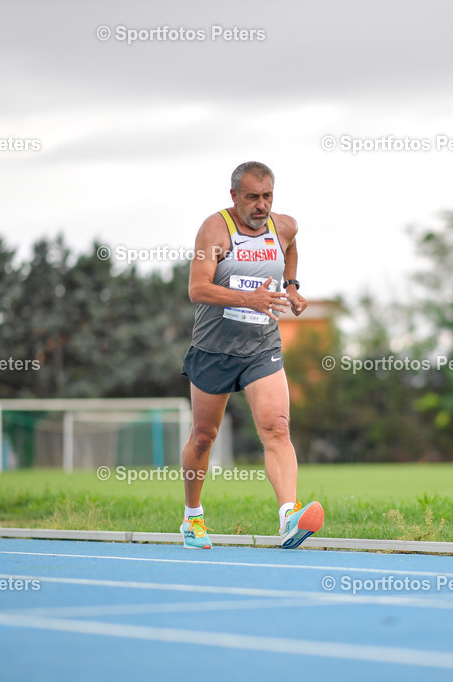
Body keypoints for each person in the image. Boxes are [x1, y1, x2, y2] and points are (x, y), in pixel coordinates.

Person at [178, 161, 323, 550]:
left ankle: (289, 517)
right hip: (214, 350)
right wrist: (251, 298)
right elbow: (197, 288)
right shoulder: (215, 230)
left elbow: (290, 246)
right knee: (204, 437)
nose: (261, 206)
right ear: (234, 197)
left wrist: (291, 286)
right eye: (252, 197)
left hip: (262, 346)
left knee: (277, 428)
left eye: (267, 196)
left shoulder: (283, 225)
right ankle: (192, 518)